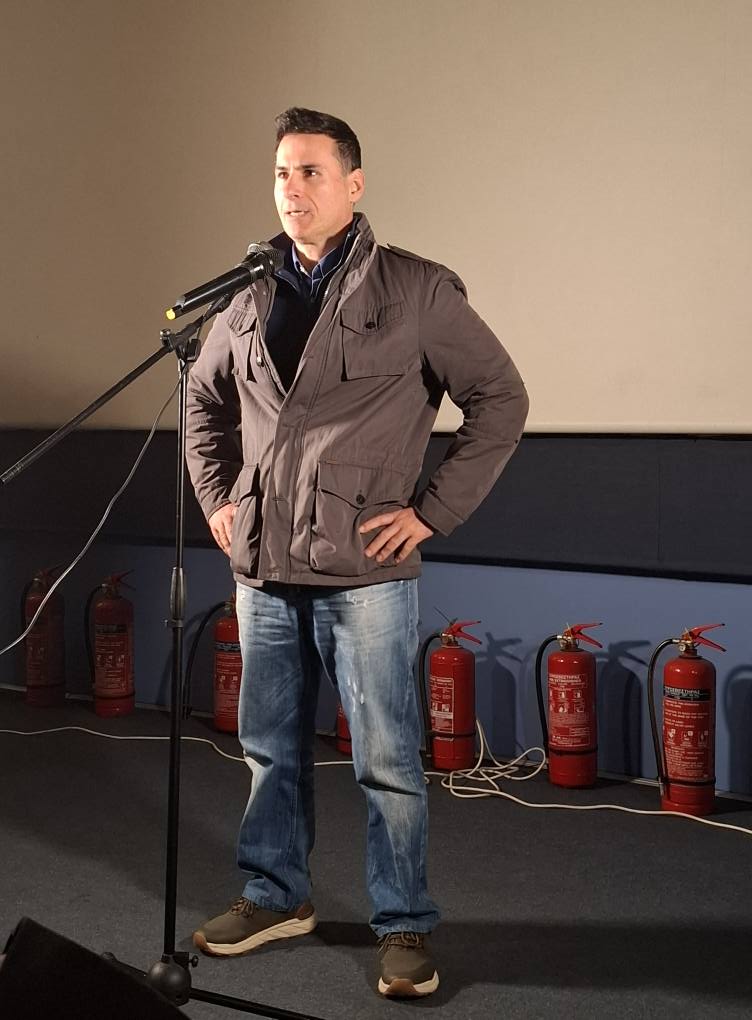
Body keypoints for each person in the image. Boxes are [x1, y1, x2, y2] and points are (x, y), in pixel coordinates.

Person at [185, 107, 528, 998]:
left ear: (354, 184)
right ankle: (275, 895)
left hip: (364, 573)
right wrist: (219, 498)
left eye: (310, 171)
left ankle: (404, 923)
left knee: (386, 758)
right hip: (264, 570)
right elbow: (203, 401)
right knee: (268, 748)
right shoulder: (248, 293)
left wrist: (432, 513)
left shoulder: (416, 291)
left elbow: (500, 397)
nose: (291, 188)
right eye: (281, 173)